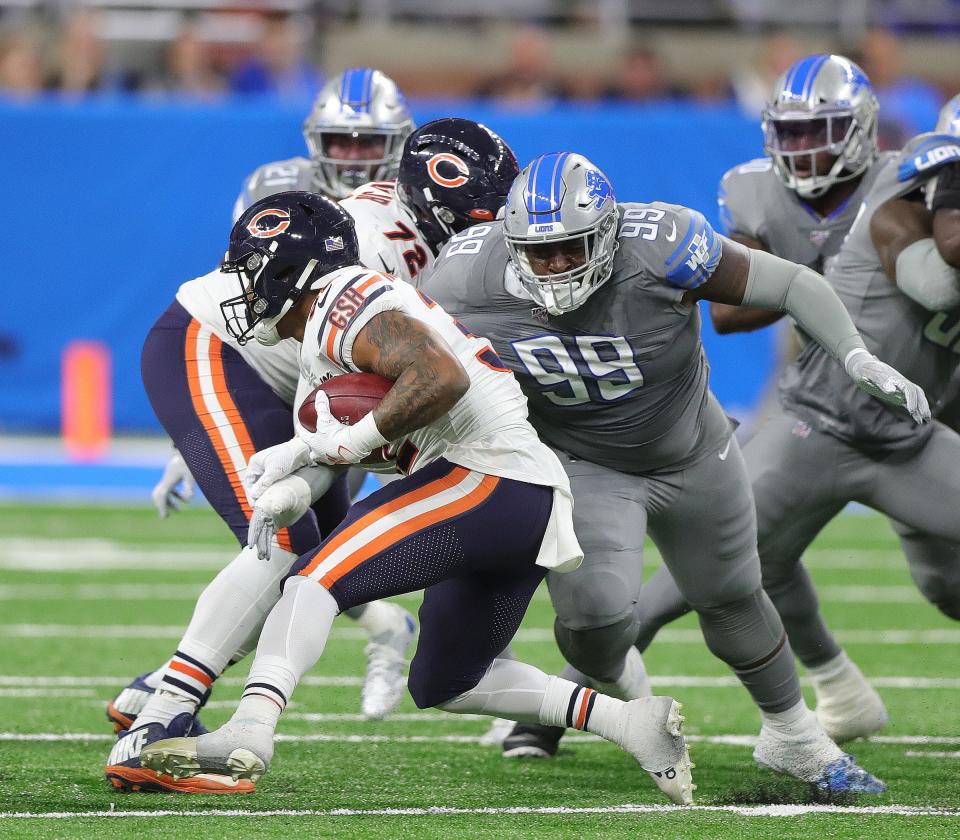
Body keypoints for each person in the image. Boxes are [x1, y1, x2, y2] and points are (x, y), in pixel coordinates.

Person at [137, 191, 696, 806]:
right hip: (517, 498)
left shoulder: (342, 298)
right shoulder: (324, 333)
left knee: (312, 580)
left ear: (290, 272)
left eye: (252, 270)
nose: (243, 287)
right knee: (451, 681)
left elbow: (438, 376)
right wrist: (295, 481)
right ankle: (632, 724)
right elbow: (336, 443)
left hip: (484, 475)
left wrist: (348, 446)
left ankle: (249, 730)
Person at [418, 151, 928, 791]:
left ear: (606, 232)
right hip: (584, 462)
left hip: (692, 451)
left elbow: (793, 284)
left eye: (571, 248)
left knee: (733, 597)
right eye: (537, 251)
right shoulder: (463, 276)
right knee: (594, 626)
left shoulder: (663, 246)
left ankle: (797, 740)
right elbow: (402, 352)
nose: (553, 266)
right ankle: (626, 693)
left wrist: (855, 358)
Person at [104, 119, 522, 792]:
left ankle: (154, 692)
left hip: (295, 389)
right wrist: (294, 450)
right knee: (286, 540)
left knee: (313, 560)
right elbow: (354, 383)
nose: (491, 232)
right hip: (221, 351)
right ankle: (160, 719)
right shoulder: (375, 242)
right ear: (442, 205)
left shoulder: (427, 241)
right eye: (481, 217)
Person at [631, 95, 960, 739]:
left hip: (910, 436)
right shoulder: (896, 209)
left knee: (947, 589)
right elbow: (940, 280)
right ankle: (557, 716)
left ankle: (843, 696)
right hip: (814, 426)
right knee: (694, 579)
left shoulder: (895, 183)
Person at [136, 68, 419, 738]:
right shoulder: (276, 189)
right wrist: (197, 430)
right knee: (297, 542)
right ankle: (166, 697)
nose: (351, 154)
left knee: (318, 543)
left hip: (341, 387)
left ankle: (163, 695)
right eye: (340, 141)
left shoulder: (413, 210)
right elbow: (244, 305)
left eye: (366, 141)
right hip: (279, 379)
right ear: (314, 139)